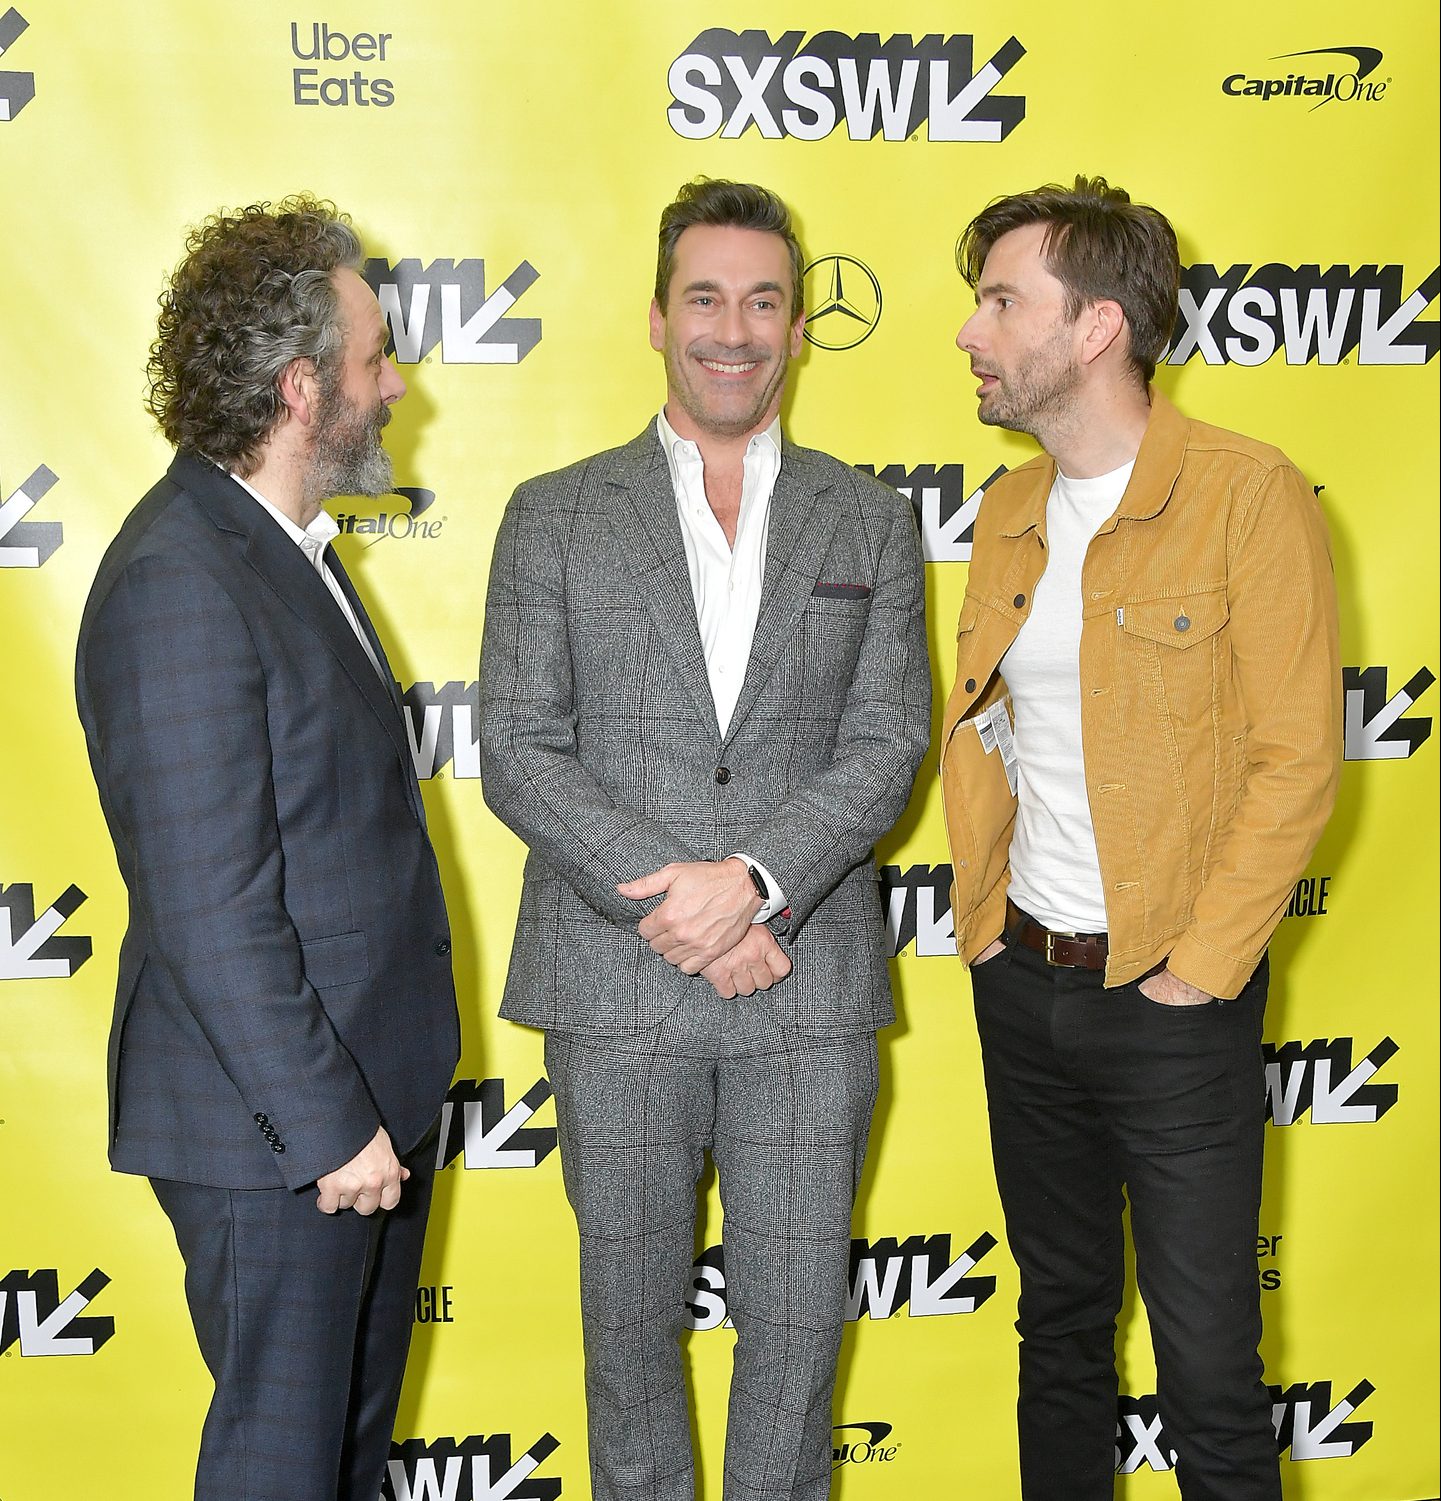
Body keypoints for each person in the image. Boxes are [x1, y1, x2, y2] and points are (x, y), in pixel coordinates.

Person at [479, 177, 930, 1501]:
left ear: (798, 328)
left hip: (805, 992)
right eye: (705, 297)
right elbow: (517, 743)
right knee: (628, 1350)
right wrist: (675, 908)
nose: (732, 328)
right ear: (658, 316)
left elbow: (886, 741)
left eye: (763, 301)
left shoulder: (868, 516)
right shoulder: (551, 512)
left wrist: (753, 887)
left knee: (796, 1349)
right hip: (618, 995)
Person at [941, 175, 1341, 1500]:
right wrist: (987, 935)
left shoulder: (1244, 494)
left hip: (1171, 998)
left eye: (1001, 301)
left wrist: (1198, 970)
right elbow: (993, 735)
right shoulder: (1004, 512)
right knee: (1056, 1339)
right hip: (1025, 988)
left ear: (1096, 326)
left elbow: (1295, 758)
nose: (972, 332)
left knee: (1208, 1371)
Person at [74, 196, 460, 1501]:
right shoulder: (181, 574)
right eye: (372, 358)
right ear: (303, 389)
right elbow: (207, 902)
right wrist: (324, 1124)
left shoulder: (287, 551)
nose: (394, 381)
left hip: (350, 1118)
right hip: (278, 1138)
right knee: (279, 1471)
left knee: (338, 1462)